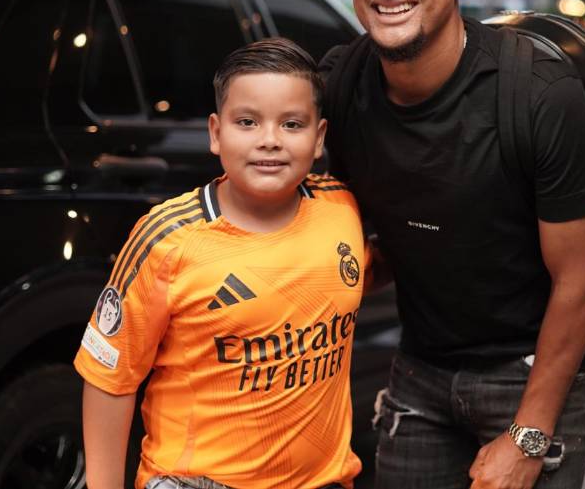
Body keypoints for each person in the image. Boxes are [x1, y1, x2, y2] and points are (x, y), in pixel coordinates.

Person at [322, 0, 585, 489]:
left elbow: (581, 277)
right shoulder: (342, 84)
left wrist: (529, 436)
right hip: (423, 361)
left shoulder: (535, 93)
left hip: (534, 364)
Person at [75, 38, 370, 489]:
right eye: (247, 122)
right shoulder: (169, 240)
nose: (269, 141)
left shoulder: (341, 207)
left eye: (292, 124)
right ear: (216, 133)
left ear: (319, 138)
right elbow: (109, 377)